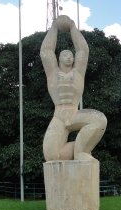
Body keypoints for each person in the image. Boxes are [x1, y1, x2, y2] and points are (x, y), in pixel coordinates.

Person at [40, 15, 107, 161]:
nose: (69, 57)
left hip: (73, 113)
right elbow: (46, 51)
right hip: (58, 115)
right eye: (65, 55)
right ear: (58, 59)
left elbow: (83, 50)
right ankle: (79, 149)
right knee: (51, 156)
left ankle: (81, 152)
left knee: (99, 120)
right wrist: (54, 28)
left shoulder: (78, 73)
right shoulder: (53, 73)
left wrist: (72, 28)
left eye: (71, 55)